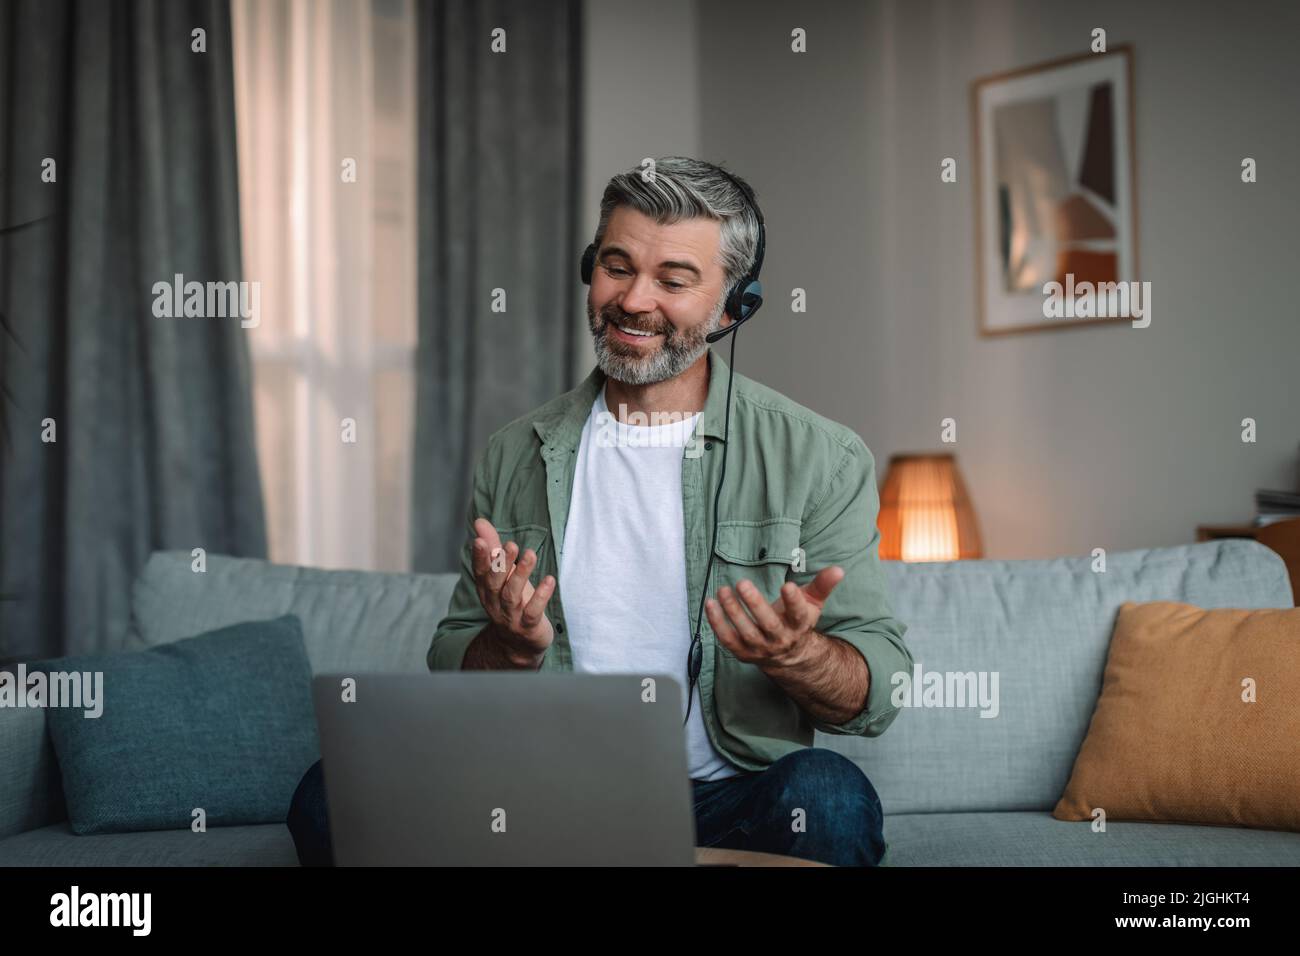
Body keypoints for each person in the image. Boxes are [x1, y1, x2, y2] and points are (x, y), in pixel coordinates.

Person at [288, 156, 911, 867]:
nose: (634, 301)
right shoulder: (513, 453)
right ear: (592, 267)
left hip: (730, 799)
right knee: (328, 793)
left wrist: (798, 656)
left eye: (673, 281)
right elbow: (454, 657)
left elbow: (878, 689)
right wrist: (511, 649)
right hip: (538, 792)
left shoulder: (819, 457)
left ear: (736, 304)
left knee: (829, 796)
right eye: (617, 267)